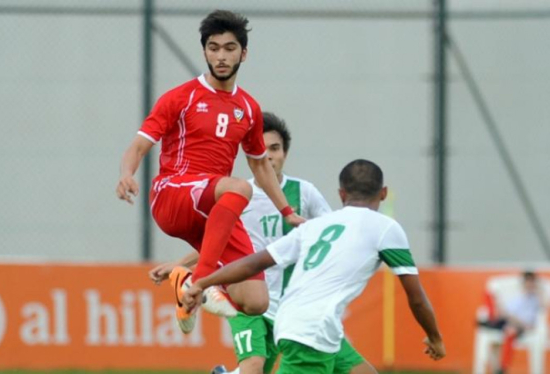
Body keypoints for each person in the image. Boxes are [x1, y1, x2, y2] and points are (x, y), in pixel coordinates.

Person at [116, 10, 304, 334]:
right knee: (240, 189)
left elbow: (259, 164)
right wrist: (126, 173)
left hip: (214, 206)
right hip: (173, 193)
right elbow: (138, 145)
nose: (220, 55)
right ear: (204, 51)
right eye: (213, 47)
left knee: (256, 300)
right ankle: (201, 284)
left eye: (229, 48)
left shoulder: (248, 108)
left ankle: (188, 285)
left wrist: (286, 211)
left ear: (243, 53)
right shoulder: (180, 97)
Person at [152, 113, 372, 374]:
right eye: (262, 149)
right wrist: (177, 264)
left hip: (293, 307)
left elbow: (330, 235)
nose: (268, 156)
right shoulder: (239, 194)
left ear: (285, 154)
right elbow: (217, 240)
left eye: (275, 149)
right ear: (251, 155)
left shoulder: (305, 192)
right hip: (251, 295)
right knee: (254, 367)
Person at [183, 159, 447, 373]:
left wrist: (204, 281)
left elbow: (255, 262)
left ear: (341, 194)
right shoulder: (386, 228)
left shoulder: (315, 226)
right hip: (311, 331)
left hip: (304, 324)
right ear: (384, 193)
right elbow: (417, 298)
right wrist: (434, 337)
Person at [478, 270, 543, 374]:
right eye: (527, 281)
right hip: (508, 321)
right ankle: (491, 321)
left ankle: (502, 368)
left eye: (532, 282)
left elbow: (537, 315)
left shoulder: (536, 299)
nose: (529, 284)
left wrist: (539, 290)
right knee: (489, 296)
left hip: (521, 326)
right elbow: (507, 311)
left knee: (509, 330)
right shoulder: (519, 297)